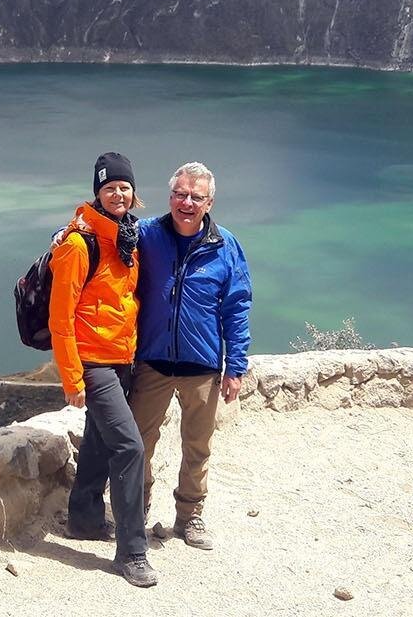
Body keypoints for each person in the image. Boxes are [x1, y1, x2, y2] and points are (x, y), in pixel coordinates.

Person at [129, 161, 252, 551]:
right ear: (170, 197)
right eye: (180, 194)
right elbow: (100, 235)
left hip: (201, 365)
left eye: (196, 197)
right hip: (152, 360)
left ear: (209, 202)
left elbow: (237, 306)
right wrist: (66, 234)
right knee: (139, 443)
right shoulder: (147, 234)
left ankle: (189, 517)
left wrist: (235, 366)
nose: (186, 203)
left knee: (197, 445)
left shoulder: (225, 246)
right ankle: (136, 511)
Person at [48, 152, 157, 588]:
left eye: (124, 187)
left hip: (122, 357)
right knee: (129, 447)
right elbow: (60, 319)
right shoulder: (79, 244)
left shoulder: (128, 237)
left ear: (133, 192)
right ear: (97, 192)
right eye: (109, 187)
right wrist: (72, 378)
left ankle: (85, 518)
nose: (118, 194)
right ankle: (132, 552)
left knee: (98, 438)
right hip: (94, 362)